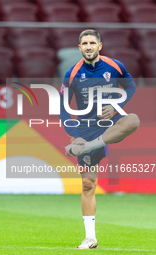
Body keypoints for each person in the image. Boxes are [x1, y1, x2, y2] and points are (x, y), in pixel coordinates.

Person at [59, 29, 140, 249]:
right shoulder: (72, 74)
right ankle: (90, 238)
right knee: (88, 184)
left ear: (99, 46)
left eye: (92, 43)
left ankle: (92, 146)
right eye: (84, 43)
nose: (88, 46)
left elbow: (130, 86)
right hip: (85, 130)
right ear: (79, 47)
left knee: (133, 119)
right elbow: (63, 110)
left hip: (110, 125)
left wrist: (115, 107)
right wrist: (73, 136)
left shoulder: (115, 66)